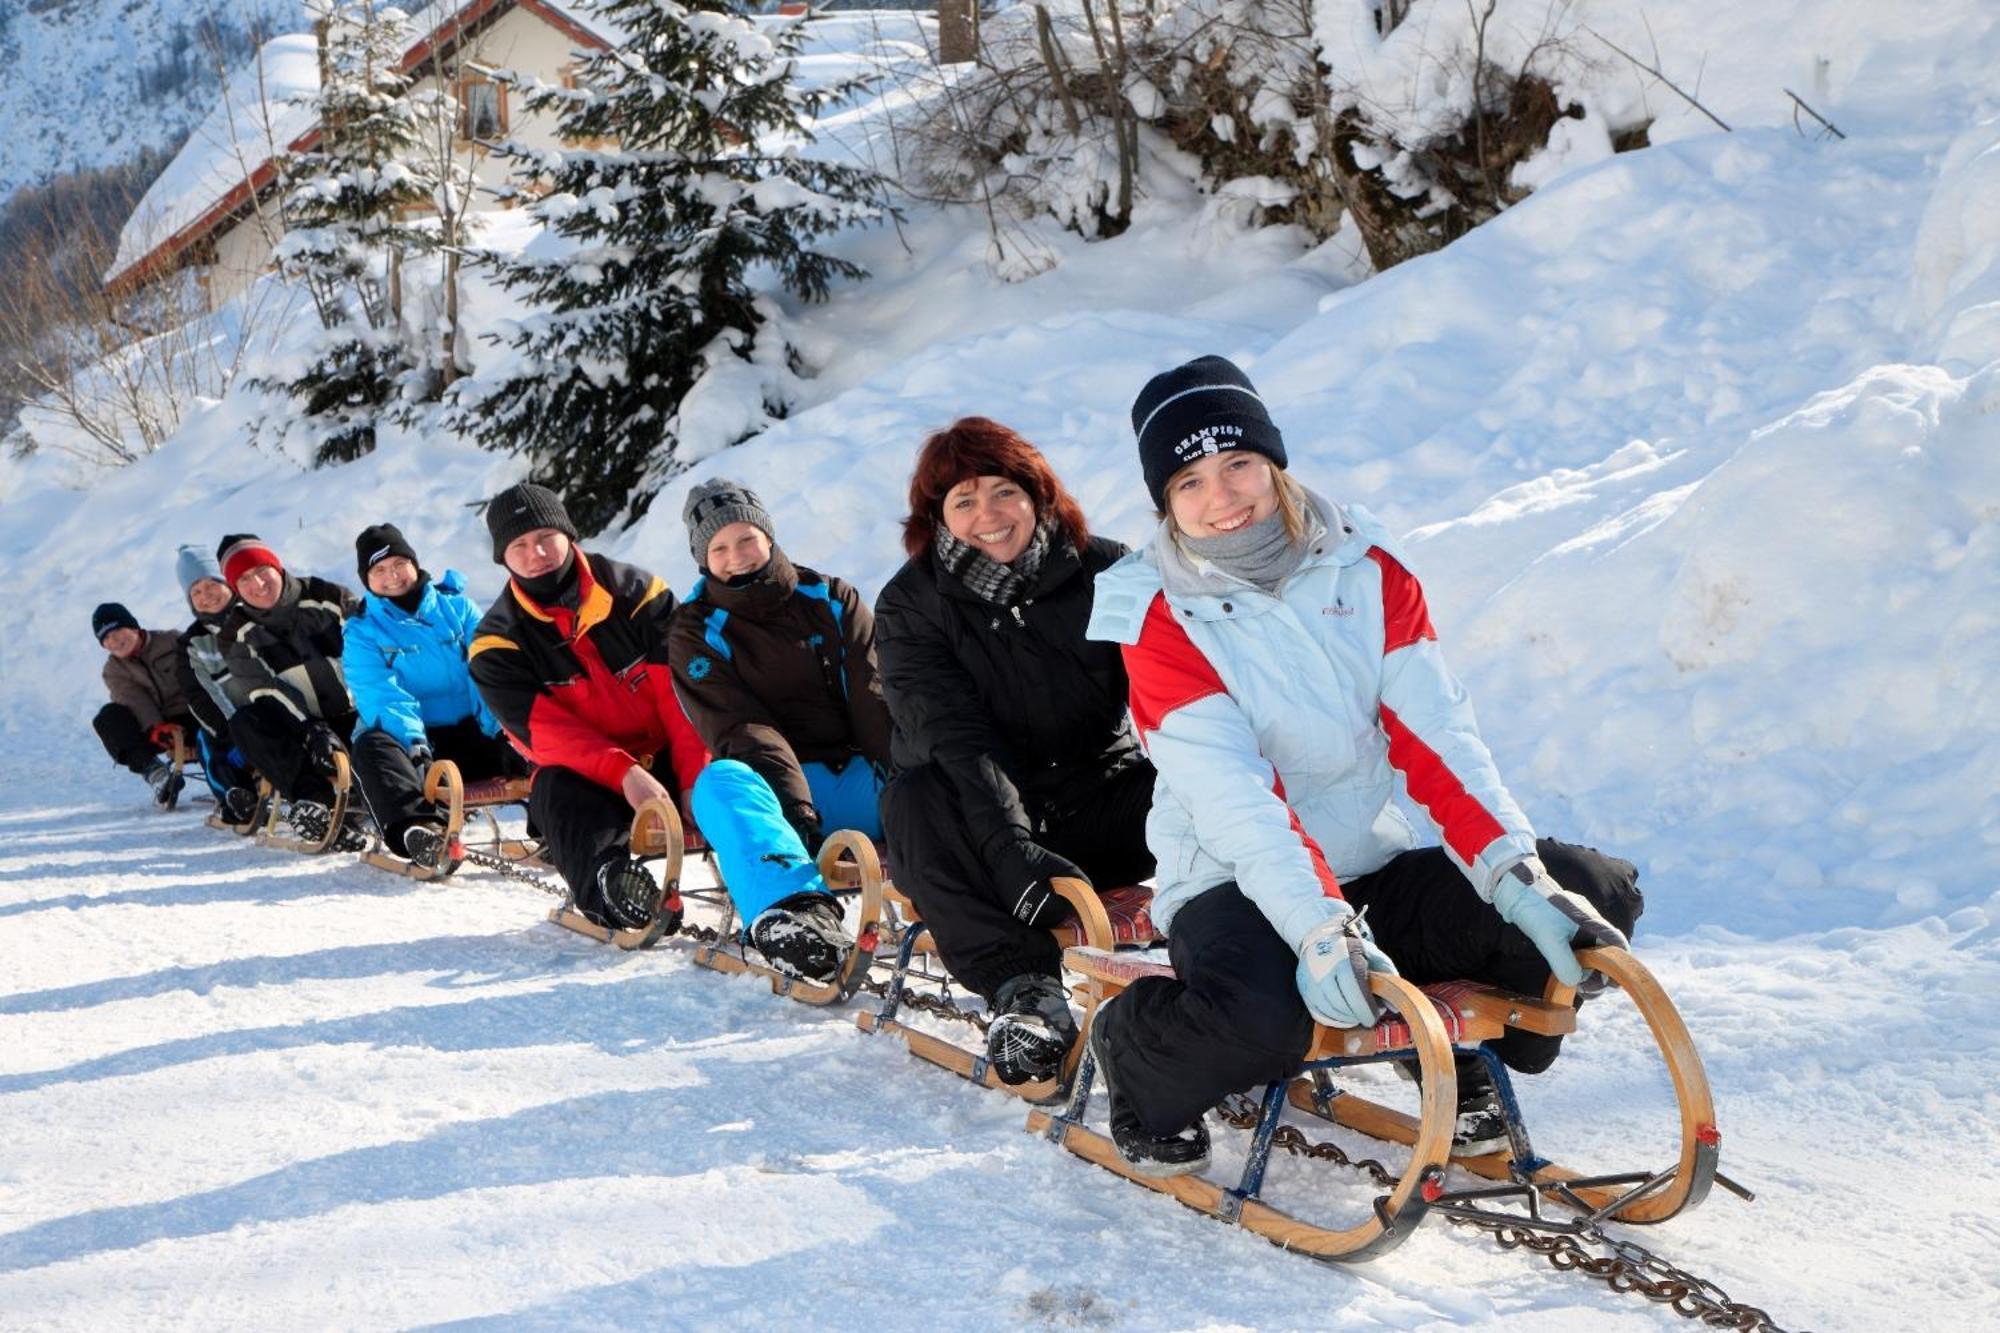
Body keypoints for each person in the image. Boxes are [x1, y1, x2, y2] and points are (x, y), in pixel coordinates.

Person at [1083, 354, 1643, 1177]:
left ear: (1273, 463)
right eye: (1190, 481)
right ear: (1165, 502)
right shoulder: (1158, 616)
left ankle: (1449, 1051)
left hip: (1367, 871)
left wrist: (1518, 877)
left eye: (1238, 464)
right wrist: (1318, 928)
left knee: (1589, 891)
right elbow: (1238, 799)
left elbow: (1439, 742)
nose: (1223, 497)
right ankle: (1139, 1047)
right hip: (1234, 882)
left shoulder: (1369, 570)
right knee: (1266, 1020)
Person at [875, 418, 1157, 1086]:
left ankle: (1245, 965)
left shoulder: (1110, 572)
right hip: (977, 827)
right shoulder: (910, 605)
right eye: (964, 501)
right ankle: (1024, 989)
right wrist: (1011, 852)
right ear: (938, 518)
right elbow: (957, 740)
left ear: (1038, 494)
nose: (988, 516)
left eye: (1003, 492)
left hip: (1096, 803)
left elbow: (1175, 700)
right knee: (912, 801)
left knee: (1196, 781)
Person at [667, 478, 894, 981]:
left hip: (861, 781)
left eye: (746, 538)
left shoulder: (832, 598)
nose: (738, 555)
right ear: (704, 559)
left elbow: (876, 699)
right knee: (719, 782)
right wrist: (797, 810)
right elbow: (741, 727)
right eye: (720, 547)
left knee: (938, 768)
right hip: (778, 804)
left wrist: (905, 783)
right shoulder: (694, 630)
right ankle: (795, 912)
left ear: (768, 536)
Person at [468, 482, 708, 929]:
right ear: (503, 557)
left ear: (568, 533)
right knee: (554, 787)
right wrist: (626, 773)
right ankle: (613, 886)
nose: (537, 552)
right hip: (595, 779)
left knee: (734, 769)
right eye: (520, 545)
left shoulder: (639, 592)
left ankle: (786, 889)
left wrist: (693, 775)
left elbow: (683, 694)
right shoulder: (495, 643)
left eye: (545, 537)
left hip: (675, 755)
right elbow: (549, 736)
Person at [345, 523, 525, 869]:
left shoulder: (458, 610)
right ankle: (420, 829)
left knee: (533, 736)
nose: (392, 576)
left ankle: (552, 828)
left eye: (399, 564)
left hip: (473, 731)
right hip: (417, 744)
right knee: (371, 746)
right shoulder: (362, 631)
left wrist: (503, 731)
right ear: (366, 580)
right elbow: (381, 694)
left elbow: (488, 672)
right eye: (379, 570)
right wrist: (414, 746)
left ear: (414, 564)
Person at [214, 534, 366, 847]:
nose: (257, 584)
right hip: (300, 725)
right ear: (235, 589)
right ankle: (316, 803)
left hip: (356, 712)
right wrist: (312, 729)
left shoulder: (328, 596)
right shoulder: (235, 633)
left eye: (260, 570)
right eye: (243, 579)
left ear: (277, 567)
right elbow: (264, 689)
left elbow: (368, 653)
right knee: (247, 721)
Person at [173, 545, 258, 819]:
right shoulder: (191, 643)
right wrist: (233, 734)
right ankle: (235, 796)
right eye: (195, 592)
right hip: (234, 722)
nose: (205, 596)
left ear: (227, 584)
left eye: (211, 585)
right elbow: (199, 696)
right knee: (207, 740)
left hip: (280, 711)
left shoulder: (258, 616)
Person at [90, 601, 198, 807]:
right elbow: (133, 699)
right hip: (155, 726)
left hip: (194, 714)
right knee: (108, 717)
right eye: (106, 639)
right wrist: (156, 728)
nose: (114, 641)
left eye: (117, 631)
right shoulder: (113, 670)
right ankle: (155, 773)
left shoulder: (172, 641)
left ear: (133, 627)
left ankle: (241, 777)